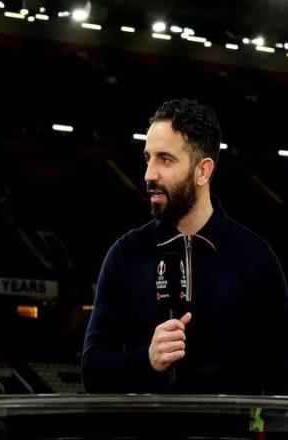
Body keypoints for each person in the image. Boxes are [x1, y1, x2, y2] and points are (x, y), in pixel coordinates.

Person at [82, 98, 288, 394]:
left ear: (203, 171)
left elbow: (280, 376)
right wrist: (147, 360)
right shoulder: (126, 254)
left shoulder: (256, 259)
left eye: (165, 160)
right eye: (148, 158)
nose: (149, 174)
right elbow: (92, 372)